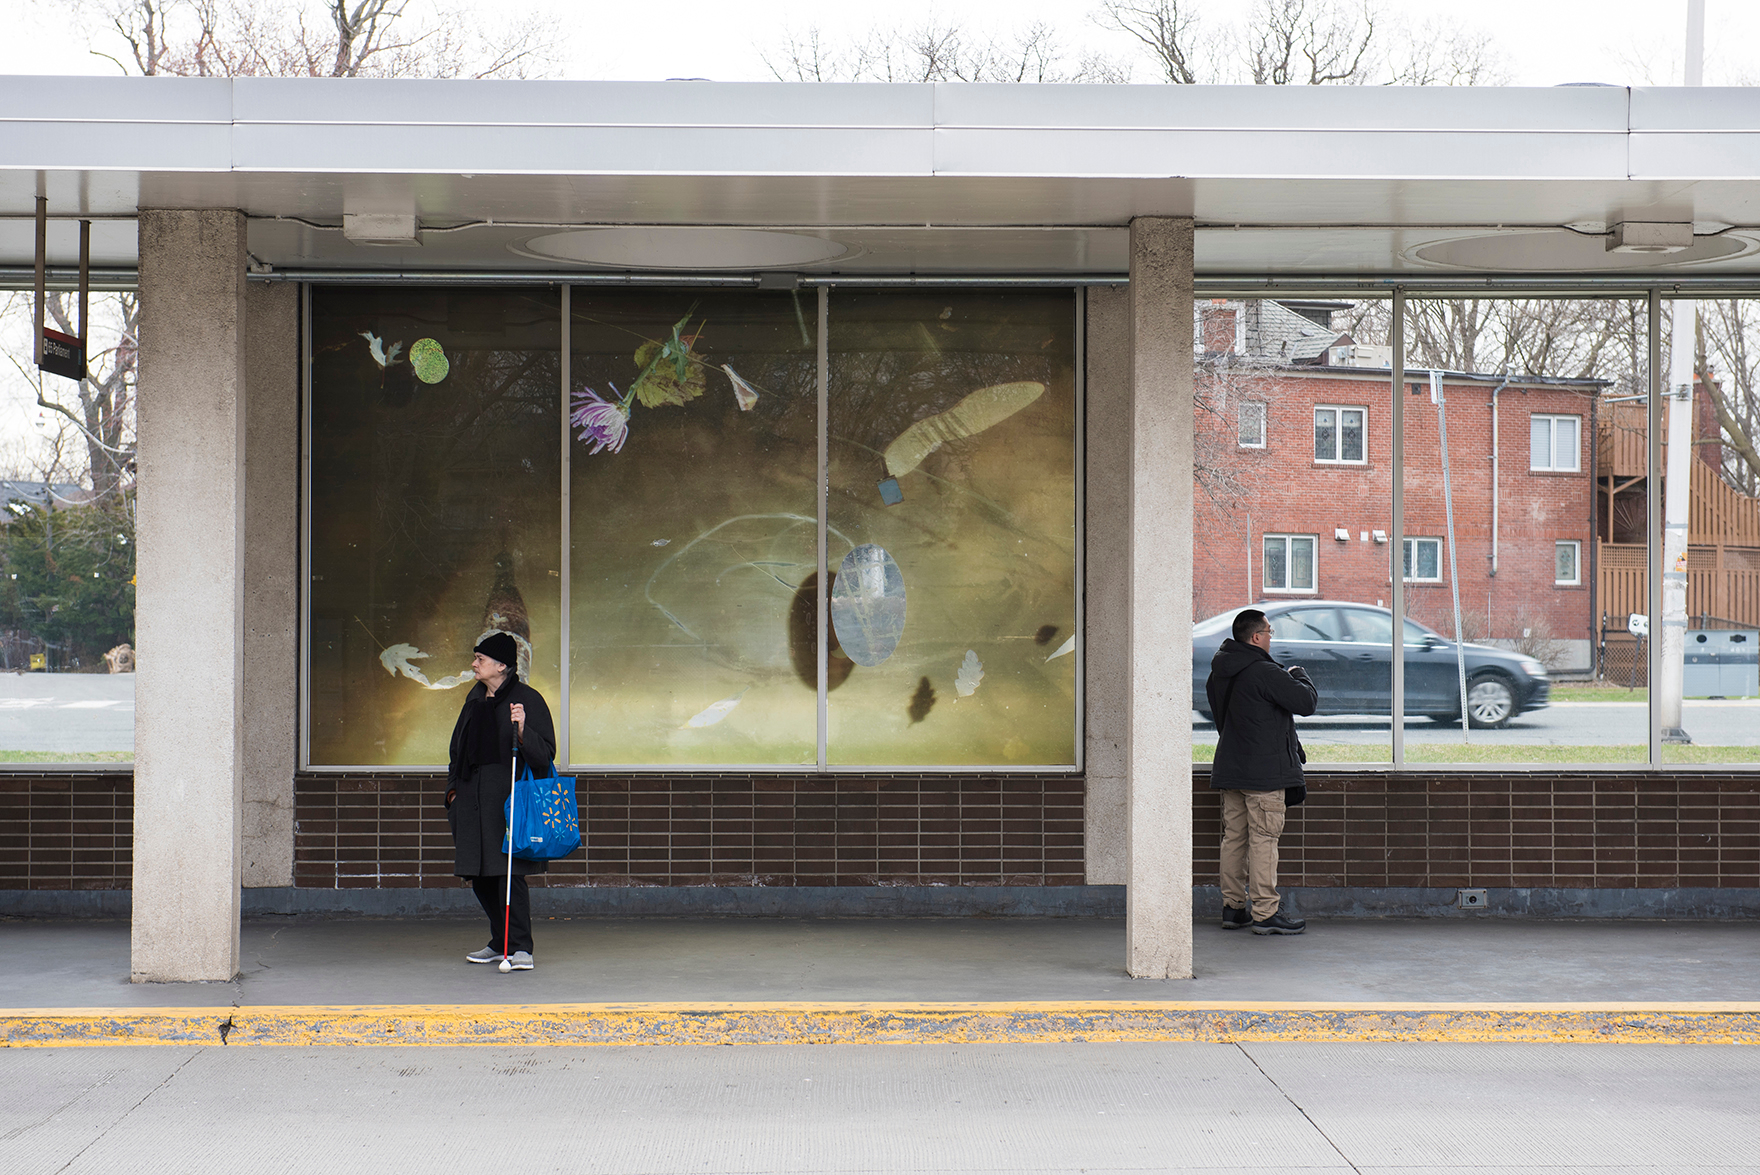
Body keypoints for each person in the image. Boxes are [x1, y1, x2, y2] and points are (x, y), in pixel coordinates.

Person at [445, 631, 557, 970]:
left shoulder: (527, 699)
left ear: (502, 665)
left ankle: (521, 947)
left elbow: (545, 754)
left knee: (508, 874)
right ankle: (500, 941)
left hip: (507, 802)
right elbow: (456, 750)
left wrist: (523, 730)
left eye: (480, 659)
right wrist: (452, 794)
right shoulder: (474, 699)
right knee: (478, 874)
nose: (474, 664)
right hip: (470, 800)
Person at [1206, 608, 1317, 935]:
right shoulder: (1264, 671)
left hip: (1230, 768)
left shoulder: (1220, 673)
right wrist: (1299, 674)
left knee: (1233, 840)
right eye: (1268, 632)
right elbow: (1306, 702)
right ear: (1256, 637)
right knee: (1264, 840)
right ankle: (1266, 913)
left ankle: (1233, 908)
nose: (1271, 637)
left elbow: (1222, 719)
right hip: (1265, 774)